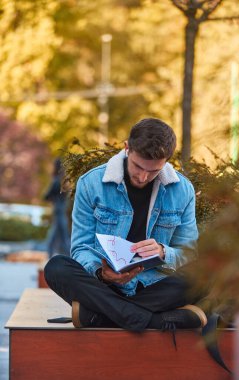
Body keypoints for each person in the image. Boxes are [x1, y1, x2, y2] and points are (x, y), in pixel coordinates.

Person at [44, 118, 207, 332]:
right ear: (127, 148)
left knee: (207, 275)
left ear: (167, 161)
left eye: (154, 171)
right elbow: (81, 249)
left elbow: (188, 252)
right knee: (56, 268)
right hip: (104, 287)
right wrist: (102, 273)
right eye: (138, 166)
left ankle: (100, 316)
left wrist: (163, 251)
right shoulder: (91, 183)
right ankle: (153, 321)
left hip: (153, 286)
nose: (143, 176)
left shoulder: (182, 190)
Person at [44, 158, 70, 258]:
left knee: (57, 238)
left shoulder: (56, 181)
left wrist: (52, 198)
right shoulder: (64, 181)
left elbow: (46, 196)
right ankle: (63, 258)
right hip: (61, 212)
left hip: (59, 213)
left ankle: (51, 258)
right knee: (62, 238)